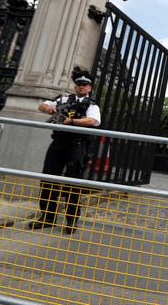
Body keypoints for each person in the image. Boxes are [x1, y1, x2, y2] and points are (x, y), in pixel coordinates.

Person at [28, 67, 101, 235]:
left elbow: (94, 121)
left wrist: (72, 121)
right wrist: (48, 109)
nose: (81, 87)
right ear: (75, 85)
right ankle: (47, 216)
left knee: (72, 183)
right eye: (79, 84)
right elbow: (42, 105)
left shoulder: (92, 104)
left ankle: (71, 220)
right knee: (48, 178)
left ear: (90, 88)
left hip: (76, 145)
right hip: (58, 143)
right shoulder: (63, 98)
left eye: (85, 84)